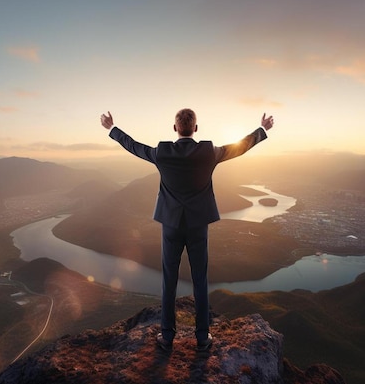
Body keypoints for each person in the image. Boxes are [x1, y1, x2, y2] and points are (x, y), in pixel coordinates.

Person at [100, 109, 274, 351]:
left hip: (170, 225)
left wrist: (112, 128)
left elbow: (134, 146)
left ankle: (167, 336)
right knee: (200, 280)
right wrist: (262, 129)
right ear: (196, 128)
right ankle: (203, 337)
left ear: (175, 128)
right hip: (197, 225)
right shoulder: (208, 152)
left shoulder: (162, 152)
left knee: (169, 280)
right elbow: (240, 147)